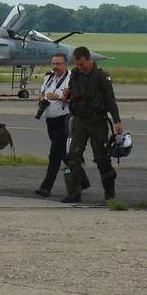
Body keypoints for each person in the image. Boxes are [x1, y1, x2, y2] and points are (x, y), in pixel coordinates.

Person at [61, 46, 123, 203]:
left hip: (97, 122)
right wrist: (67, 94)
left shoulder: (102, 76)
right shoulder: (75, 74)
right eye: (77, 64)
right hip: (80, 121)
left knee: (101, 158)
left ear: (89, 60)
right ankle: (74, 192)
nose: (79, 67)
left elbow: (110, 100)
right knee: (73, 157)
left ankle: (109, 192)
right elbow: (71, 92)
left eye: (82, 64)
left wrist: (117, 121)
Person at [34, 53, 72, 198]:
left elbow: (74, 98)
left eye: (58, 64)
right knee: (63, 154)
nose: (55, 67)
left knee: (54, 154)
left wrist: (59, 97)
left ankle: (46, 187)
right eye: (53, 64)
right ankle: (82, 180)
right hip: (50, 121)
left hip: (63, 120)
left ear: (65, 64)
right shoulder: (48, 77)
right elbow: (42, 93)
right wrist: (41, 99)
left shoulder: (71, 79)